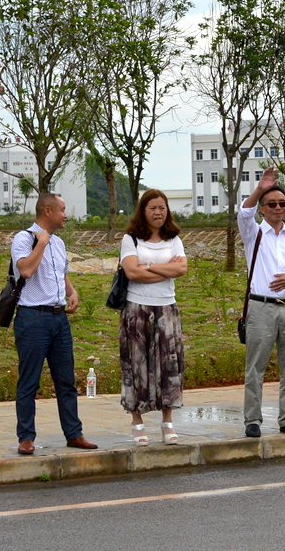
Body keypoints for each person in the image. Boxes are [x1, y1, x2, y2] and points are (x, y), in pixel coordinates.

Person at [11, 192, 97, 455]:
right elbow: (26, 270)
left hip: (59, 319)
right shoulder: (24, 239)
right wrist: (41, 243)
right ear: (47, 211)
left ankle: (74, 433)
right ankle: (26, 437)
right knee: (29, 381)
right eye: (62, 209)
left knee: (66, 380)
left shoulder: (58, 243)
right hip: (32, 318)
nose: (66, 215)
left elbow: (60, 273)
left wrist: (72, 291)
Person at [239, 166, 285, 438]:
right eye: (272, 204)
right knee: (255, 368)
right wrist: (260, 188)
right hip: (261, 307)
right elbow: (244, 213)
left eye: (282, 203)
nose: (278, 208)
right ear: (262, 209)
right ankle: (252, 420)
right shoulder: (254, 233)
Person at [118, 190, 188, 445]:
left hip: (166, 309)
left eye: (162, 208)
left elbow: (182, 268)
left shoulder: (174, 239)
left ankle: (167, 422)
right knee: (136, 364)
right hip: (137, 310)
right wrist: (166, 270)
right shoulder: (131, 239)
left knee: (169, 366)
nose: (158, 212)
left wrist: (148, 266)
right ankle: (137, 423)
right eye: (152, 208)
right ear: (143, 211)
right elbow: (131, 272)